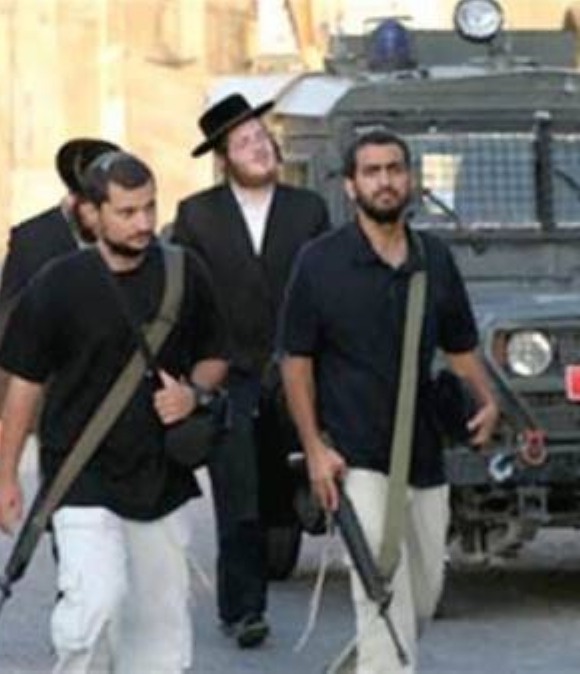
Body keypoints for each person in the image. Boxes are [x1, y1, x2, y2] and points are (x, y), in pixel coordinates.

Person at [0, 151, 227, 673]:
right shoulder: (57, 283)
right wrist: (5, 477)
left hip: (160, 474)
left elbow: (216, 353)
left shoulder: (184, 272)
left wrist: (192, 394)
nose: (143, 223)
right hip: (81, 473)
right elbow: (24, 383)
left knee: (160, 634)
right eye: (127, 212)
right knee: (93, 607)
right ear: (92, 213)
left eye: (149, 208)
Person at [279, 130, 499, 673]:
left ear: (411, 179)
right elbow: (295, 361)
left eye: (394, 169)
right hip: (354, 457)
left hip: (424, 455)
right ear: (351, 186)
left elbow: (460, 346)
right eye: (372, 171)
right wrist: (314, 448)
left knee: (419, 599)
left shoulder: (434, 259)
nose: (385, 181)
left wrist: (488, 400)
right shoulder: (319, 262)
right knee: (379, 586)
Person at [171, 92, 330, 647]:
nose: (259, 148)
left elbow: (324, 291)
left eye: (262, 137)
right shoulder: (197, 215)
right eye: (244, 143)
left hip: (296, 372)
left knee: (280, 493)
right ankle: (243, 610)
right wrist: (190, 377)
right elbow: (184, 299)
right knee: (237, 495)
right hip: (229, 375)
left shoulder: (308, 209)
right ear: (223, 158)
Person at [0, 137, 120, 450]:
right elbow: (9, 321)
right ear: (75, 198)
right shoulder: (34, 240)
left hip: (120, 395)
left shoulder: (132, 232)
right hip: (58, 399)